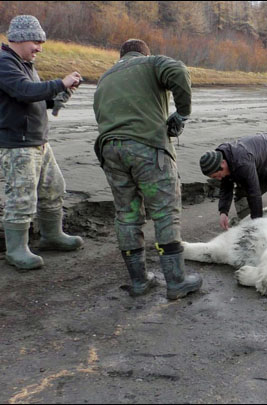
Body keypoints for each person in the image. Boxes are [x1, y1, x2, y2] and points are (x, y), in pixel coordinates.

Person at [93, 38, 201, 299]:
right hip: (146, 147)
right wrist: (182, 113)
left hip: (110, 152)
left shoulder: (104, 78)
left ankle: (139, 281)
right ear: (143, 54)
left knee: (127, 215)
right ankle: (176, 282)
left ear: (121, 56)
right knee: (165, 212)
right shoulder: (151, 63)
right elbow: (178, 71)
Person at [0, 15, 84, 271]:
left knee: (53, 189)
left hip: (38, 142)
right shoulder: (3, 64)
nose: (39, 47)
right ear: (19, 38)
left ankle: (52, 236)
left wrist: (59, 95)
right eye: (36, 42)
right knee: (21, 197)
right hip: (16, 144)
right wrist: (58, 83)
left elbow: (35, 97)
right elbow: (24, 91)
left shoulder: (25, 63)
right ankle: (16, 250)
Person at [199, 133, 267, 230]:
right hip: (265, 164)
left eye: (217, 176)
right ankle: (249, 229)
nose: (219, 179)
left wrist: (257, 223)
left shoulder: (242, 162)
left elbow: (254, 193)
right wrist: (223, 212)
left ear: (223, 163)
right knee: (242, 199)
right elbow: (226, 187)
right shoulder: (223, 157)